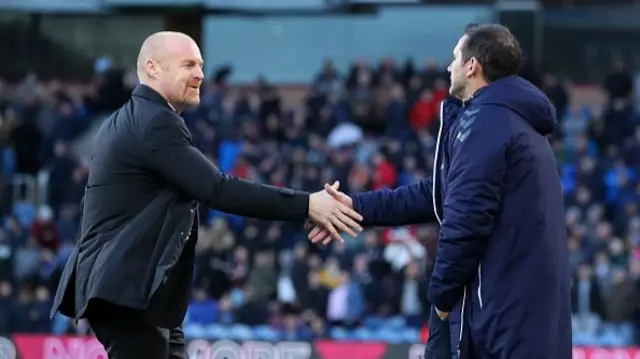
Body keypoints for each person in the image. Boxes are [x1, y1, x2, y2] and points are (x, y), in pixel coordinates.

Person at [50, 31, 363, 359]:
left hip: (139, 296)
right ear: (153, 68)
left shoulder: (128, 119)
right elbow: (217, 188)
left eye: (200, 64)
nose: (200, 74)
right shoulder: (154, 122)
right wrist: (308, 204)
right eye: (188, 65)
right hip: (131, 297)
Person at [308, 23, 571, 359]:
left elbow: (465, 220)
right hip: (523, 314)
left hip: (501, 318)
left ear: (472, 66)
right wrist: (356, 205)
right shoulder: (515, 123)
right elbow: (437, 194)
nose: (449, 67)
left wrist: (441, 300)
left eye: (455, 57)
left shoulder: (487, 122)